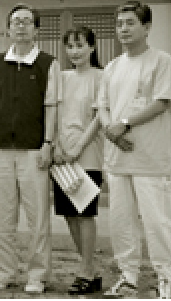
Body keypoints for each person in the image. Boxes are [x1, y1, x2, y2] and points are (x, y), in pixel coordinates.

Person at [98, 1, 171, 299]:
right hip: (118, 157)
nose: (123, 29)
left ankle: (166, 279)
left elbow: (161, 102)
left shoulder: (161, 61)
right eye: (120, 23)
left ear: (146, 27)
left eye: (130, 23)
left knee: (157, 221)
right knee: (121, 222)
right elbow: (102, 107)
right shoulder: (112, 67)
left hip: (150, 157)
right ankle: (128, 276)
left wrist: (123, 123)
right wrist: (112, 131)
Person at [0, 3, 61, 294]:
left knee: (37, 216)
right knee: (2, 215)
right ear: (8, 27)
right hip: (1, 148)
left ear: (36, 29)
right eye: (16, 21)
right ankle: (3, 272)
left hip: (33, 151)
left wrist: (48, 143)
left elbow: (52, 107)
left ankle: (37, 275)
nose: (21, 26)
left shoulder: (47, 63)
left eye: (27, 21)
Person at [51, 26, 104, 294]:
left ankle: (85, 269)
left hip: (87, 155)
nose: (75, 51)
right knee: (70, 215)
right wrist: (58, 147)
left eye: (80, 45)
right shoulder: (61, 77)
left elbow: (98, 118)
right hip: (62, 156)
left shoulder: (100, 77)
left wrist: (78, 148)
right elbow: (54, 114)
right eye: (70, 46)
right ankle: (90, 270)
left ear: (92, 47)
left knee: (84, 213)